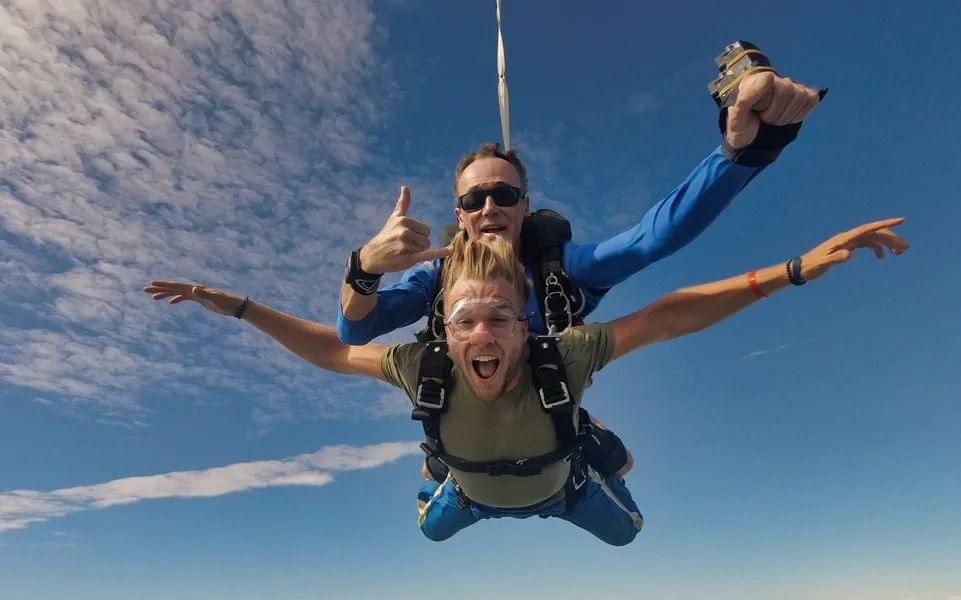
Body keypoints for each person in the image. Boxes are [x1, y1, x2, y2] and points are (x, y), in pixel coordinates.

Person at [145, 216, 908, 544]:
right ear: (443, 328)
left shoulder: (562, 355)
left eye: (501, 321)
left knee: (629, 535)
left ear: (525, 326)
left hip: (563, 490)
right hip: (471, 497)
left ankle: (588, 449)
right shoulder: (424, 364)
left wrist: (792, 269)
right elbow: (327, 349)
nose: (482, 335)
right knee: (431, 531)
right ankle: (442, 472)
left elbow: (670, 315)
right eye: (466, 321)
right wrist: (236, 304)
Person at [339, 70, 823, 481]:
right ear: (460, 215)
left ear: (525, 208)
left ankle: (571, 448)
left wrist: (740, 152)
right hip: (465, 406)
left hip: (546, 398)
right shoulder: (438, 279)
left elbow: (651, 239)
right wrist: (365, 268)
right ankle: (446, 471)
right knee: (437, 470)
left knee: (620, 464)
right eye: (473, 200)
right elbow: (356, 329)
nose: (489, 207)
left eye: (505, 196)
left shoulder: (560, 268)